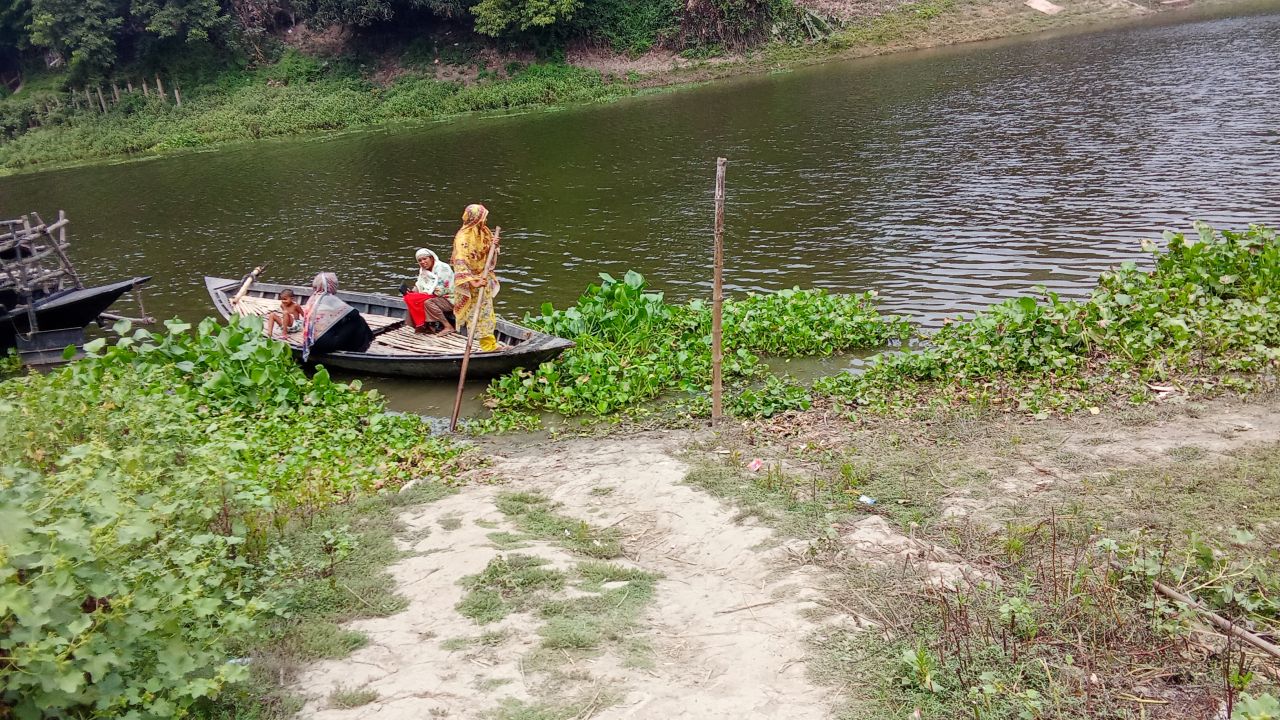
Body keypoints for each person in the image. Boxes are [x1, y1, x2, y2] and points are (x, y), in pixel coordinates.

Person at [451, 204, 501, 352]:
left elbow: (484, 252)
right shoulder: (463, 237)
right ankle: (486, 346)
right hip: (472, 282)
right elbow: (460, 262)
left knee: (487, 313)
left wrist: (493, 245)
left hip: (483, 277)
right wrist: (474, 282)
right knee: (476, 315)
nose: (485, 220)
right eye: (483, 217)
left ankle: (490, 344)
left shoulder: (482, 231)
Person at [402, 248, 456, 335]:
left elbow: (441, 291)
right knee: (411, 299)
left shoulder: (443, 268)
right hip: (434, 296)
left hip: (449, 298)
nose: (422, 262)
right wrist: (413, 292)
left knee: (427, 302)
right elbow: (419, 284)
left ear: (431, 258)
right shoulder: (423, 271)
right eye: (420, 260)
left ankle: (448, 326)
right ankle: (423, 326)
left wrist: (424, 294)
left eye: (425, 259)